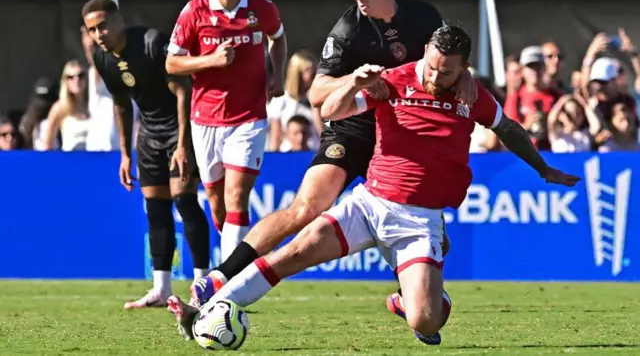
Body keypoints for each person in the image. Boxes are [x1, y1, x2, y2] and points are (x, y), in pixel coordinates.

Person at [169, 25, 580, 345]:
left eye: (448, 71)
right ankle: (209, 307)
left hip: (419, 221)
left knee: (426, 323)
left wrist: (542, 169)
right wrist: (355, 82)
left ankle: (413, 301)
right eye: (432, 66)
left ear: (464, 68)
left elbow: (506, 127)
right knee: (296, 251)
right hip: (370, 204)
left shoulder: (471, 95)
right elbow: (330, 111)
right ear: (425, 55)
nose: (436, 76)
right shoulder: (394, 80)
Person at [189, 0, 477, 309]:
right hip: (354, 126)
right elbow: (318, 94)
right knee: (307, 207)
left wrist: (466, 75)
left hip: (403, 136)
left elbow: (448, 59)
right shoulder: (348, 29)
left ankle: (414, 299)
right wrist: (354, 79)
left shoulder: (424, 18)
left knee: (421, 224)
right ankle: (221, 276)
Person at [82, 0, 211, 309]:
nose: (99, 33)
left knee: (185, 200)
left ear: (118, 20)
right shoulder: (103, 59)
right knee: (155, 207)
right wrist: (125, 154)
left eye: (103, 25)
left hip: (181, 128)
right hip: (149, 135)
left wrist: (183, 145)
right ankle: (161, 288)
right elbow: (122, 105)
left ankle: (204, 283)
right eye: (92, 29)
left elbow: (184, 92)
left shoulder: (151, 42)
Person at [165, 0, 287, 262]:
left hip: (249, 117)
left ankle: (226, 284)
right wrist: (211, 60)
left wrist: (279, 74)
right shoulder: (194, 11)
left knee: (237, 197)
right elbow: (172, 64)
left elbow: (278, 37)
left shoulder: (262, 8)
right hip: (205, 118)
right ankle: (233, 264)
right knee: (217, 203)